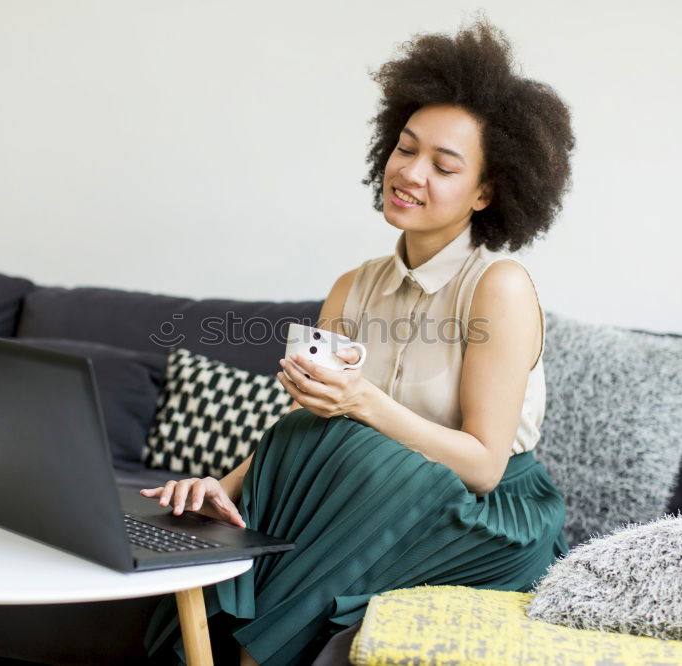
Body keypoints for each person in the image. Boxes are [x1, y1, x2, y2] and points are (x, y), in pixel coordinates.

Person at [140, 14, 576, 666]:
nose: (411, 172)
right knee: (323, 440)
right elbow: (304, 427)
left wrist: (360, 403)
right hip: (371, 491)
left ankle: (258, 651)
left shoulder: (499, 287)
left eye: (444, 165)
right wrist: (221, 488)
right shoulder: (353, 286)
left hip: (489, 515)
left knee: (356, 448)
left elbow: (484, 465)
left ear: (487, 190)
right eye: (406, 148)